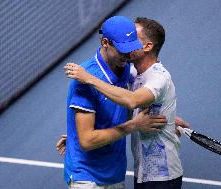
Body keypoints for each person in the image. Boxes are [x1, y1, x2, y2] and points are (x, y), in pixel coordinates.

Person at [64, 17, 189, 189]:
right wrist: (75, 136)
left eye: (131, 46)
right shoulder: (84, 79)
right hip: (87, 176)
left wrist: (168, 118)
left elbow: (131, 101)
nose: (127, 54)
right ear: (105, 42)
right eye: (123, 48)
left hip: (116, 173)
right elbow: (86, 140)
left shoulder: (125, 72)